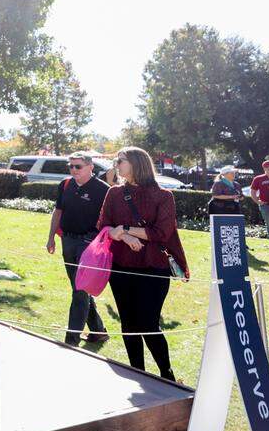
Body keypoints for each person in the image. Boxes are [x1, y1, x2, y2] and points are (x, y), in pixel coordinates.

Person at [97, 146, 189, 381]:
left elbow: (161, 233)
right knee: (128, 323)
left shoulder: (163, 196)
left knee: (148, 322)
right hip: (120, 267)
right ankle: (137, 372)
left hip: (153, 268)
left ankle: (166, 373)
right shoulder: (114, 193)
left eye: (121, 160)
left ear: (137, 163)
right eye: (117, 160)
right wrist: (123, 236)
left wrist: (126, 229)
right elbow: (103, 225)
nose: (117, 165)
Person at [46, 152, 110, 346]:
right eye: (71, 166)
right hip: (68, 240)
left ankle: (71, 340)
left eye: (78, 166)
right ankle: (99, 331)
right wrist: (50, 238)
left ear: (90, 167)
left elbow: (109, 220)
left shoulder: (103, 190)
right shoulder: (65, 185)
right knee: (78, 287)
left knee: (80, 289)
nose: (74, 170)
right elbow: (58, 212)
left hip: (88, 244)